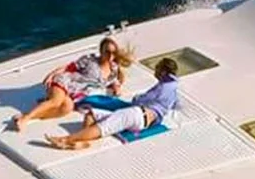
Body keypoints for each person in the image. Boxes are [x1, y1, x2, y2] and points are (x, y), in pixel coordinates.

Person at [48, 57, 180, 150]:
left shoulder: (164, 87)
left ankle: (66, 140)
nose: (155, 70)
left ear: (163, 71)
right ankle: (84, 142)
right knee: (91, 115)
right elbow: (172, 105)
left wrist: (137, 98)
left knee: (104, 127)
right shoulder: (172, 88)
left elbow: (140, 101)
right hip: (140, 116)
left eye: (157, 68)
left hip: (138, 114)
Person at [13, 36, 131, 130]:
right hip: (65, 82)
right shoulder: (90, 60)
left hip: (73, 95)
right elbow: (68, 67)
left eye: (113, 52)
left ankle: (29, 116)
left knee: (67, 108)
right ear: (101, 51)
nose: (110, 55)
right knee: (56, 101)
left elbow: (113, 81)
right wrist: (52, 75)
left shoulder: (113, 69)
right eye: (107, 52)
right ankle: (26, 118)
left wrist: (116, 87)